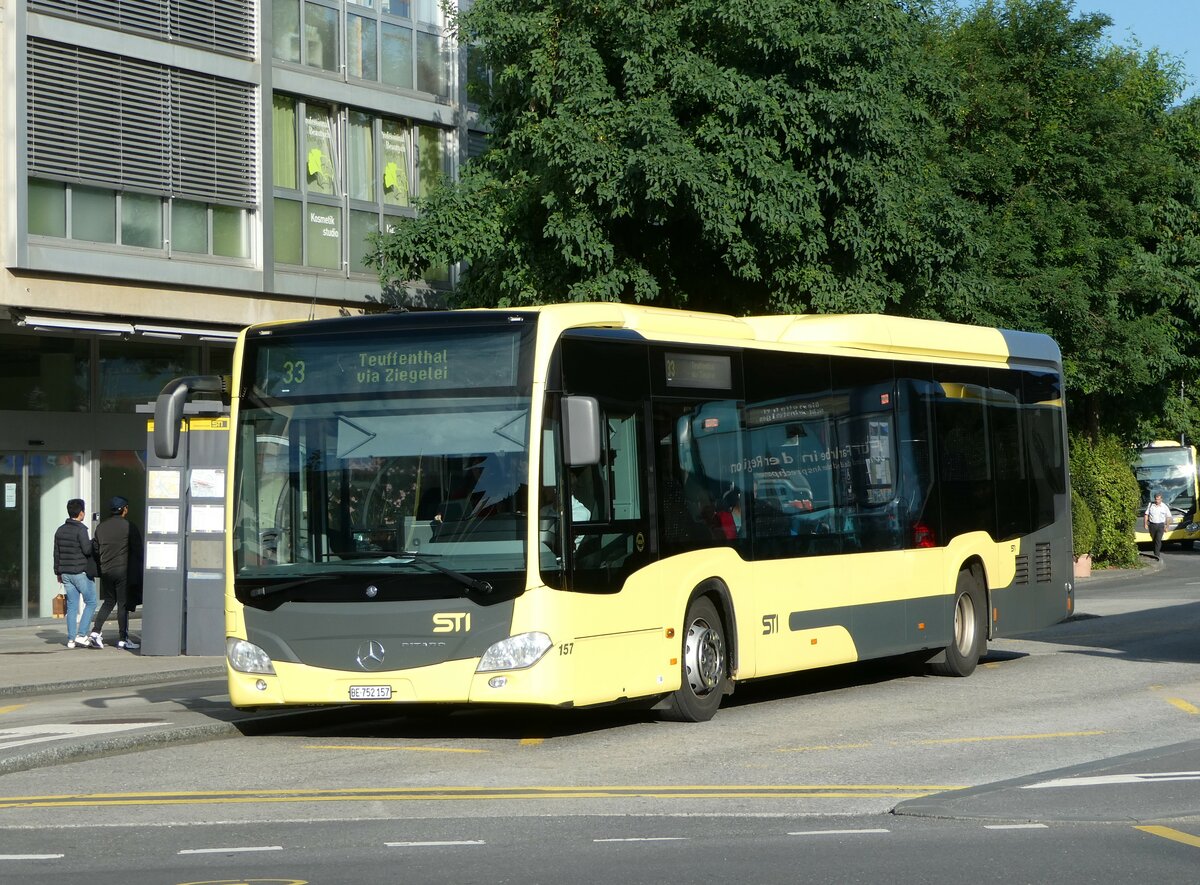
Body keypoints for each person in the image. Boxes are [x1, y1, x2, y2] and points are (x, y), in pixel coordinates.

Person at [90, 496, 143, 650]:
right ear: (124, 509)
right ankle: (123, 638)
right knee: (122, 604)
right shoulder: (129, 526)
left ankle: (95, 631)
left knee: (108, 601)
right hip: (123, 570)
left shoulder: (101, 527)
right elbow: (138, 550)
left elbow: (95, 548)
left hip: (106, 570)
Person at [52, 498, 98, 649]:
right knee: (91, 602)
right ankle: (82, 635)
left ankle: (71, 639)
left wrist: (57, 572)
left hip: (65, 573)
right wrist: (93, 543)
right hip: (80, 572)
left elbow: (56, 553)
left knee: (72, 606)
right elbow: (86, 550)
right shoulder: (81, 529)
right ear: (81, 513)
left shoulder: (60, 530)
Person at [1144, 492, 1171, 561]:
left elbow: (1168, 517)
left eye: (1158, 499)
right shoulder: (1151, 505)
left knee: (1158, 540)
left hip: (1160, 525)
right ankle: (1155, 551)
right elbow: (1146, 514)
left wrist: (1167, 526)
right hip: (1152, 525)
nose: (1157, 501)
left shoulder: (1164, 506)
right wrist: (1145, 524)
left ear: (1161, 499)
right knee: (1154, 539)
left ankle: (1157, 555)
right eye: (1156, 499)